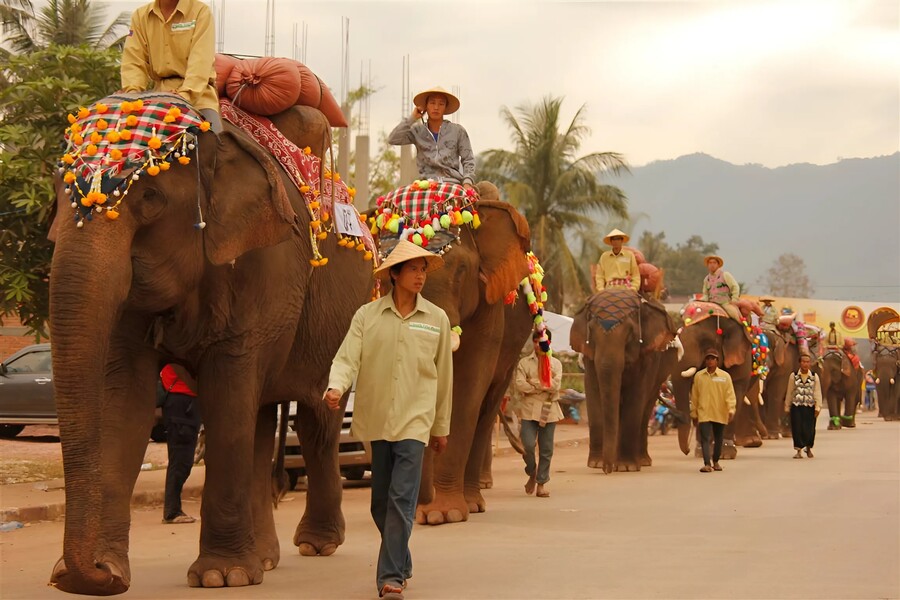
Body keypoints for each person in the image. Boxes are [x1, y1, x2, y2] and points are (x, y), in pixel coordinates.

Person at [324, 239, 453, 600]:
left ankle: (391, 576)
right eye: (413, 268)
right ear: (394, 274)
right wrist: (336, 387)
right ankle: (403, 557)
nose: (420, 275)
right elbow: (347, 358)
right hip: (378, 419)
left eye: (423, 269)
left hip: (416, 420)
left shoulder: (436, 320)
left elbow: (444, 378)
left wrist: (441, 427)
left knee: (400, 498)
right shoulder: (367, 317)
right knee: (380, 502)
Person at [120, 0, 223, 132]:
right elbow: (133, 61)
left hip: (199, 98)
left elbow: (200, 61)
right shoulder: (140, 16)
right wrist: (132, 94)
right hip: (156, 97)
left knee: (214, 141)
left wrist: (184, 96)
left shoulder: (201, 12)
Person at [387, 86, 476, 189]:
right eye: (432, 103)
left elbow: (468, 159)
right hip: (425, 185)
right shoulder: (417, 131)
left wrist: (467, 183)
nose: (436, 107)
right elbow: (393, 139)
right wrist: (412, 118)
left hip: (452, 184)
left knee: (469, 203)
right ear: (426, 106)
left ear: (445, 107)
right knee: (397, 199)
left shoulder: (458, 131)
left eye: (441, 104)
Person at [513, 329, 563, 498]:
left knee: (546, 448)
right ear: (533, 342)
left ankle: (541, 483)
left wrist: (533, 384)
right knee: (526, 445)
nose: (539, 344)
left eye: (542, 340)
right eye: (536, 341)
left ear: (548, 342)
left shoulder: (556, 364)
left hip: (549, 410)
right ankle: (532, 472)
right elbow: (520, 384)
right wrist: (542, 385)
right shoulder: (524, 363)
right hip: (528, 410)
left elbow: (555, 385)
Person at [159, 363, 202, 524]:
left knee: (182, 460)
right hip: (182, 404)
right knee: (181, 460)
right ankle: (172, 511)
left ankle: (173, 509)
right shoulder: (179, 358)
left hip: (183, 403)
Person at [690, 349, 736, 473]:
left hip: (720, 412)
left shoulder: (725, 377)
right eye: (708, 359)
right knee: (705, 439)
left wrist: (731, 409)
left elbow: (730, 394)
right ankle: (706, 463)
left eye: (713, 359)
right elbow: (695, 396)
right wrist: (693, 413)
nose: (710, 361)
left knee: (719, 438)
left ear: (717, 361)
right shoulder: (699, 376)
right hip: (704, 413)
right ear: (705, 361)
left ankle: (715, 461)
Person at [784, 352, 822, 458]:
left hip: (810, 406)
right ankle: (798, 450)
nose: (806, 364)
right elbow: (790, 391)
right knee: (797, 428)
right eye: (803, 362)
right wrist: (787, 406)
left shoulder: (814, 376)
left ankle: (808, 448)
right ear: (800, 363)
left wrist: (818, 406)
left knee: (809, 429)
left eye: (808, 362)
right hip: (797, 406)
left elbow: (817, 392)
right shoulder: (794, 376)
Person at [594, 228, 640, 293]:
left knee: (637, 302)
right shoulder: (604, 256)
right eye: (613, 239)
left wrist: (634, 288)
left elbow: (636, 275)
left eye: (618, 239)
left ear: (621, 241)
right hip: (609, 288)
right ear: (611, 241)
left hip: (626, 288)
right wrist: (601, 289)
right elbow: (599, 276)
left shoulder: (629, 255)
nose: (615, 241)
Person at [700, 255, 741, 321]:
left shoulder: (725, 275)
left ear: (718, 265)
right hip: (711, 305)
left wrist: (734, 299)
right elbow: (705, 294)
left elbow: (735, 287)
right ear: (707, 265)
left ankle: (744, 329)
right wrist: (701, 301)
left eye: (714, 263)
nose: (712, 265)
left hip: (725, 304)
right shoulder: (706, 279)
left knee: (735, 315)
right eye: (710, 263)